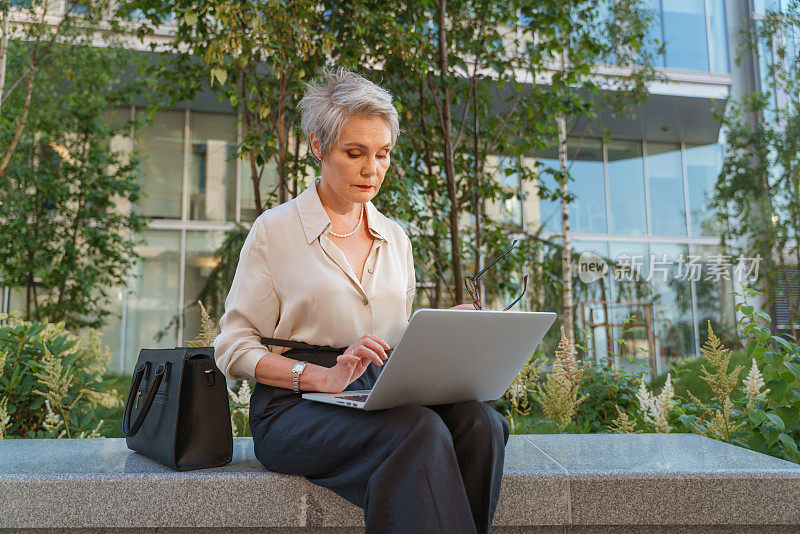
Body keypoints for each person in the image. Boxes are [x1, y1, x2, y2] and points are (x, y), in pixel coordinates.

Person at [213, 67, 510, 534]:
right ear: (318, 146)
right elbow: (232, 347)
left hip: (378, 392)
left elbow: (395, 335)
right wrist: (324, 378)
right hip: (295, 405)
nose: (372, 169)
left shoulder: (396, 237)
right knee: (419, 431)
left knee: (482, 425)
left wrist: (443, 331)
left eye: (383, 154)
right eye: (354, 153)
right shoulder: (276, 230)